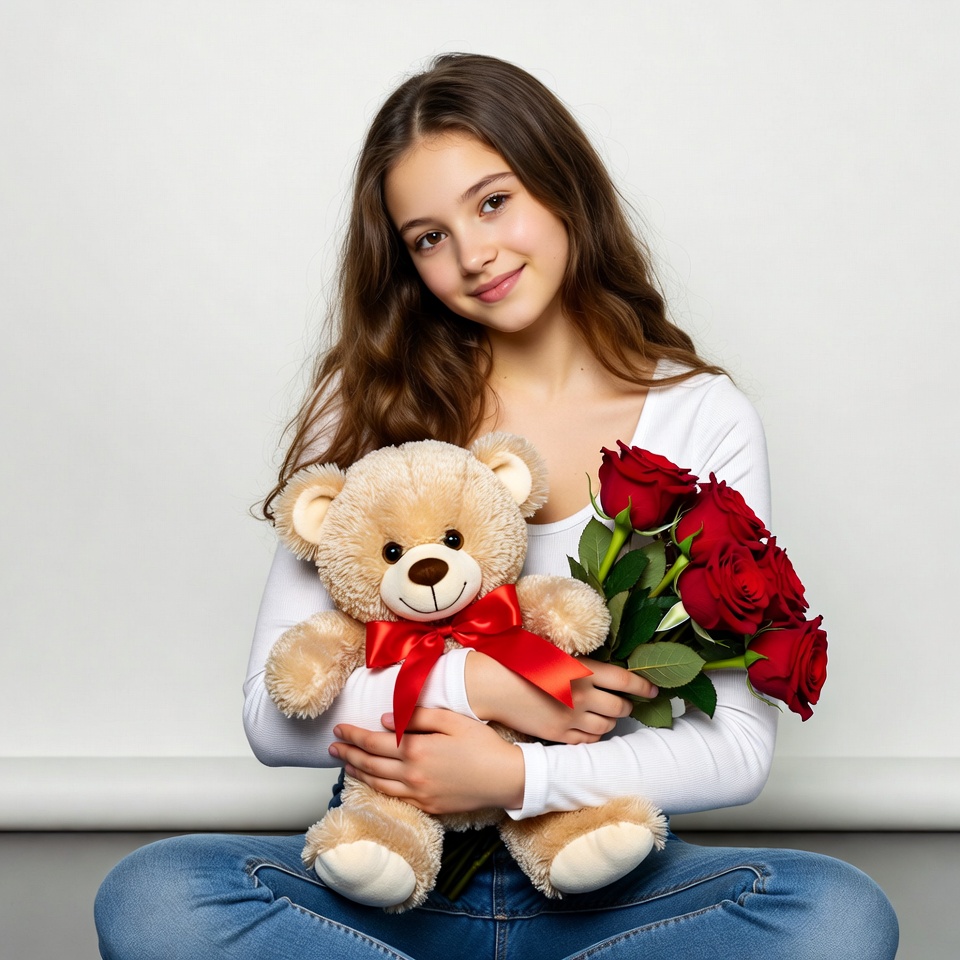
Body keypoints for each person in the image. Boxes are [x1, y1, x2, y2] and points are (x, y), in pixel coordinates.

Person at [95, 53, 898, 959]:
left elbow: (738, 752)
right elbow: (272, 718)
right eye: (427, 237)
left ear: (563, 186)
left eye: (492, 201)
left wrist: (518, 774)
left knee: (837, 916)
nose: (474, 256)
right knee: (156, 896)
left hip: (603, 878)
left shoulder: (700, 414)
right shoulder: (367, 401)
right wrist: (481, 685)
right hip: (390, 878)